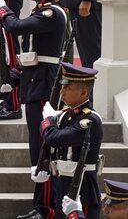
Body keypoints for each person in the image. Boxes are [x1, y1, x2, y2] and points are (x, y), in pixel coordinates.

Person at [0, 0, 66, 219]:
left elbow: (17, 27)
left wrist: (3, 12)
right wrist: (14, 76)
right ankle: (41, 205)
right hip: (36, 84)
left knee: (44, 149)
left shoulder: (51, 14)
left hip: (46, 87)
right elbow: (32, 54)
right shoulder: (41, 12)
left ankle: (47, 209)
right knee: (37, 146)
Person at [41, 63, 103, 219]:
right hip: (64, 181)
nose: (62, 91)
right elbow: (49, 140)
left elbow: (54, 138)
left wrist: (48, 120)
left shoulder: (89, 120)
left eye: (68, 88)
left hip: (82, 185)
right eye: (62, 86)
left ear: (83, 91)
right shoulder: (68, 115)